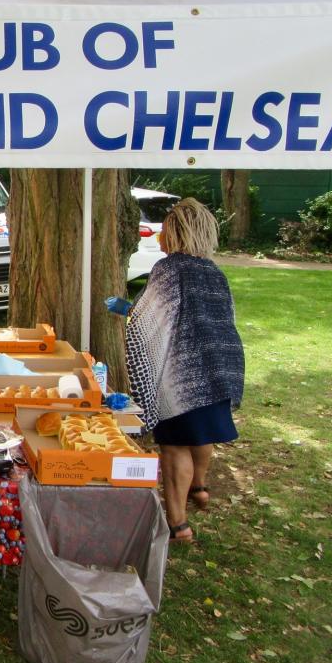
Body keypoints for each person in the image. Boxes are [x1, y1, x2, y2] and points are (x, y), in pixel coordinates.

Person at [123, 198, 244, 545]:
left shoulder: (169, 268)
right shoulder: (214, 271)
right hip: (220, 365)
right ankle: (200, 488)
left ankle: (178, 523)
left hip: (182, 372)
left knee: (175, 443)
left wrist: (127, 314)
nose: (160, 237)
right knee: (202, 434)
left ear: (175, 233)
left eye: (165, 229)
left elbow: (148, 319)